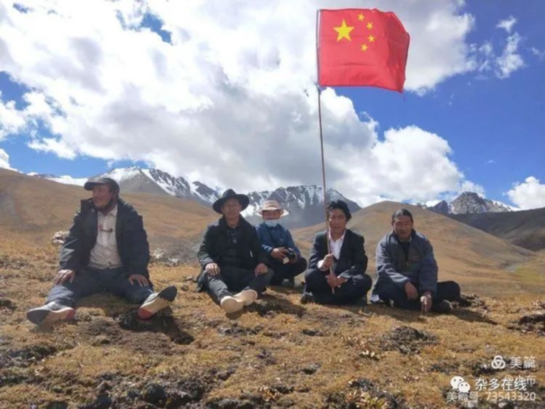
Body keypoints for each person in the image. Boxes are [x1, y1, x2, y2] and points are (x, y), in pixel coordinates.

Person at [26, 177, 177, 325]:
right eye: (94, 191)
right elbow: (73, 241)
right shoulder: (85, 214)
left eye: (100, 190)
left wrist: (137, 270)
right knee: (66, 281)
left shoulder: (129, 216)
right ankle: (56, 307)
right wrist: (69, 266)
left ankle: (151, 301)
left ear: (114, 193)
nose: (95, 195)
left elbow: (139, 244)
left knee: (137, 284)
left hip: (120, 272)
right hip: (90, 272)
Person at [197, 189, 273, 313]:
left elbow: (258, 250)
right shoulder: (213, 229)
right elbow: (203, 251)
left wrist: (261, 263)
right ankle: (225, 298)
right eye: (227, 205)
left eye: (234, 205)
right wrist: (209, 263)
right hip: (220, 272)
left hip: (242, 272)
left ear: (240, 207)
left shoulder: (249, 229)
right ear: (222, 209)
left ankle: (246, 293)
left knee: (268, 272)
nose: (231, 208)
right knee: (208, 273)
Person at [372, 208, 461, 313]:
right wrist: (405, 283)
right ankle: (434, 306)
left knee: (452, 287)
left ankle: (412, 303)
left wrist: (427, 292)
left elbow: (429, 266)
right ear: (393, 224)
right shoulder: (384, 244)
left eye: (407, 224)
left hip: (419, 286)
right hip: (397, 286)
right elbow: (384, 269)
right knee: (385, 287)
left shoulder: (422, 242)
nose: (403, 228)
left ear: (412, 224)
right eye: (399, 224)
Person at [302, 200, 372, 305]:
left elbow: (360, 265)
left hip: (346, 282)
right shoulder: (320, 238)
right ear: (328, 219)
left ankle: (320, 299)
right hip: (325, 280)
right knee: (310, 274)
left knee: (364, 280)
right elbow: (313, 262)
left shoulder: (356, 239)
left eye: (340, 217)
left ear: (347, 219)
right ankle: (348, 300)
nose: (336, 222)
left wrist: (341, 278)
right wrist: (323, 264)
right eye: (333, 217)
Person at [255, 200, 307, 287]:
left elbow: (293, 248)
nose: (271, 216)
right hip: (264, 263)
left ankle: (277, 279)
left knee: (302, 262)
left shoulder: (284, 232)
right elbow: (255, 245)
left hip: (279, 264)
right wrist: (271, 251)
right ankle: (281, 280)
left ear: (279, 215)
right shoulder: (257, 229)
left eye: (274, 213)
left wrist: (294, 256)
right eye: (268, 214)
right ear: (263, 216)